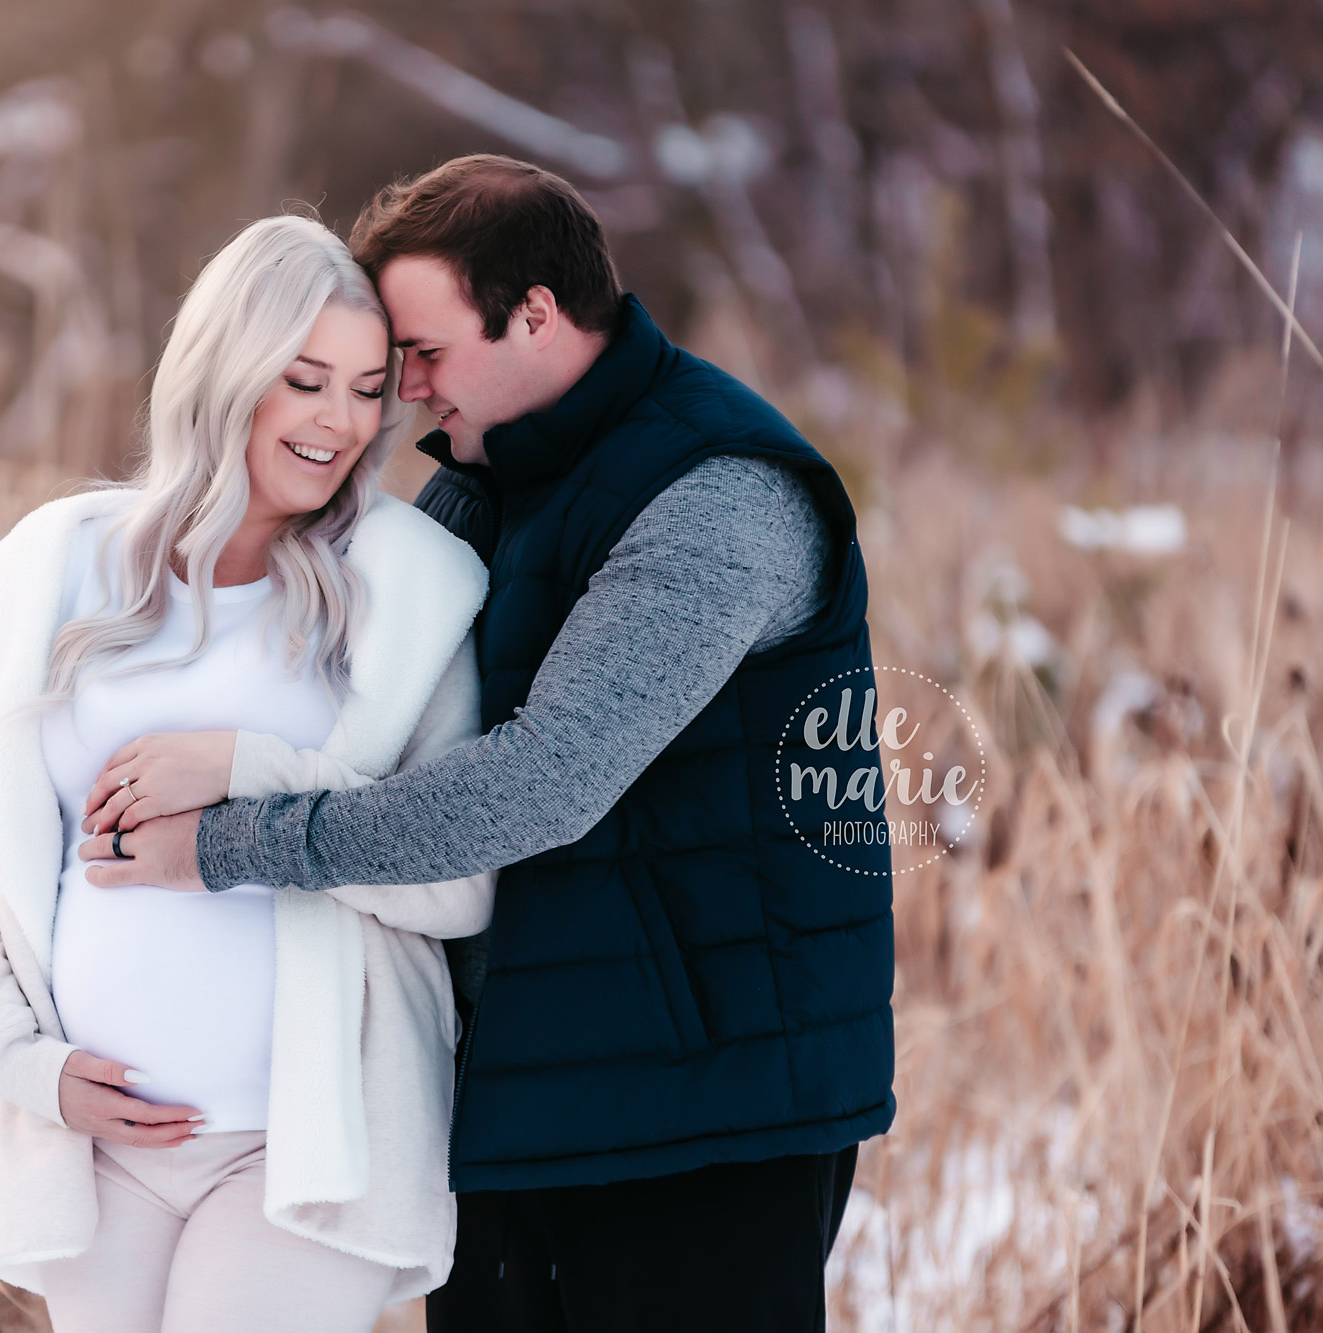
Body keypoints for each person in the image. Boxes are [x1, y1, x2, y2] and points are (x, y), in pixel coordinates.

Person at [79, 155, 895, 1331]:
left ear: (537, 316)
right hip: (519, 1095)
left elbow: (541, 782)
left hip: (704, 1111)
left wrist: (226, 839)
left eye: (421, 355)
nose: (401, 394)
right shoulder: (480, 486)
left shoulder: (717, 494)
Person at [0, 214, 495, 1333]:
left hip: (305, 1154)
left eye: (367, 389)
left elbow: (460, 884)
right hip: (97, 1154)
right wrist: (20, 1060)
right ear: (225, 372)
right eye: (303, 379)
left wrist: (245, 773)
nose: (339, 421)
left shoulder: (403, 594)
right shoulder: (54, 576)